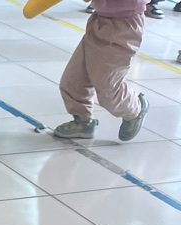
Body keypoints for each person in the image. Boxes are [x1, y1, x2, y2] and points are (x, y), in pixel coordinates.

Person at [55, 0, 148, 140]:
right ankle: (83, 121)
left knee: (108, 91)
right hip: (100, 19)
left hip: (125, 24)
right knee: (74, 80)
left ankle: (135, 109)